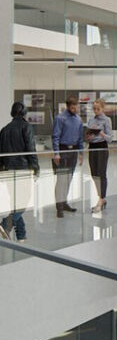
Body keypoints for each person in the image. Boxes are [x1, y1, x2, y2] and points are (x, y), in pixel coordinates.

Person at [0, 101, 39, 241]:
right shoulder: (26, 126)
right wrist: (35, 168)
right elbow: (30, 149)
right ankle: (6, 224)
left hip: (9, 170)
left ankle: (21, 234)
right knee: (24, 202)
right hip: (23, 169)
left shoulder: (4, 129)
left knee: (15, 203)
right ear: (23, 112)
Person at [52, 96, 83, 218]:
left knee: (69, 179)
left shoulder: (79, 119)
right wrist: (57, 153)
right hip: (63, 150)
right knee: (61, 180)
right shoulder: (60, 118)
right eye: (73, 107)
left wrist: (81, 153)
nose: (75, 109)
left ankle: (64, 202)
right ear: (68, 106)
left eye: (76, 107)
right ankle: (59, 207)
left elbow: (80, 138)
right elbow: (55, 136)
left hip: (74, 151)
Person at [84, 99, 112, 214]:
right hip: (92, 147)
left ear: (103, 108)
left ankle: (101, 199)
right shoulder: (91, 120)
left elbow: (110, 138)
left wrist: (102, 134)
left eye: (98, 109)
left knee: (101, 173)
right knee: (94, 174)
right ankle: (102, 197)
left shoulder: (106, 120)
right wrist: (88, 137)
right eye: (94, 109)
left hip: (102, 147)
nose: (96, 111)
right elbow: (87, 136)